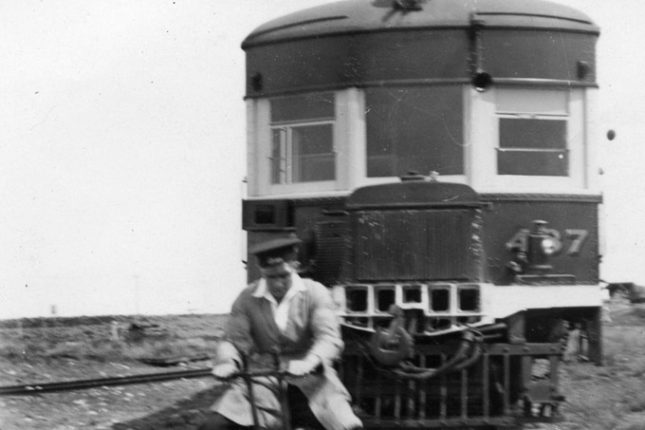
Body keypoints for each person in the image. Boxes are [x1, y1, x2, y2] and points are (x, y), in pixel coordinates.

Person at [200, 236, 362, 430]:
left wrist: (309, 362)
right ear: (262, 272)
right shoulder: (247, 298)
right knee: (214, 426)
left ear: (295, 266)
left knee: (347, 426)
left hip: (313, 383)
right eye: (271, 277)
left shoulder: (315, 292)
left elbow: (329, 338)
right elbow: (232, 340)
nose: (278, 284)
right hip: (263, 384)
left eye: (284, 276)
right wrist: (227, 362)